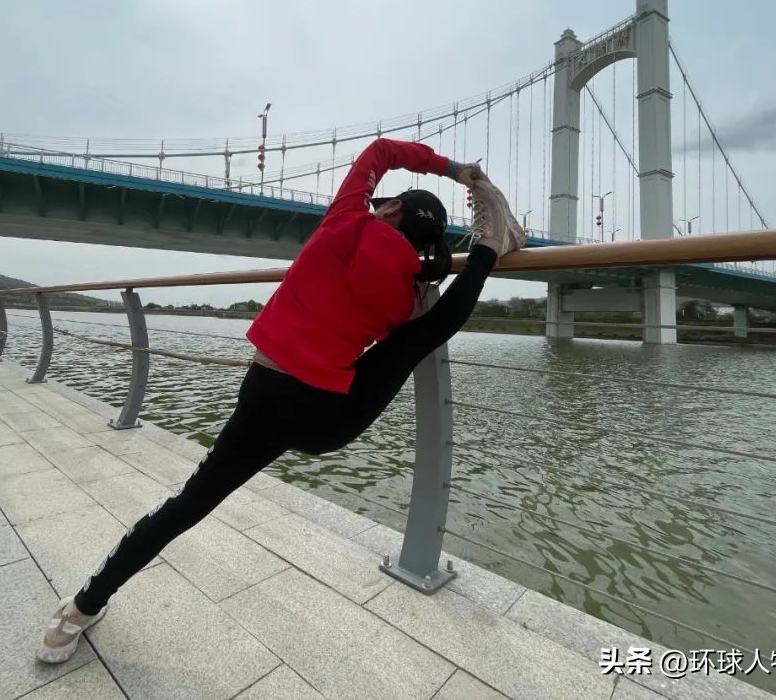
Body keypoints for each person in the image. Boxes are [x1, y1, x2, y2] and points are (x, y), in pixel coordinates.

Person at [36, 137, 525, 663]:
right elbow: (412, 323)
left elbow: (380, 151)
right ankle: (488, 248)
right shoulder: (407, 294)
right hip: (327, 422)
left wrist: (452, 169)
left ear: (390, 207)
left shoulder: (345, 218)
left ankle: (81, 611)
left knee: (188, 505)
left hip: (264, 395)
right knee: (414, 338)